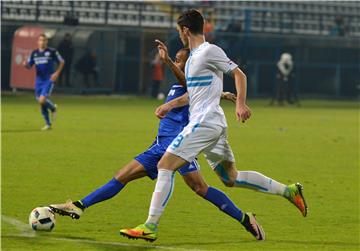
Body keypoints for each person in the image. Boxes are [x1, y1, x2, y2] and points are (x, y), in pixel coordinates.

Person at [120, 9, 307, 242]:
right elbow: (196, 94)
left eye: (179, 30)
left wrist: (240, 104)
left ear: (186, 30)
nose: (179, 34)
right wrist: (170, 105)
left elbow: (239, 74)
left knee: (165, 165)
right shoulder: (193, 59)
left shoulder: (209, 51)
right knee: (231, 177)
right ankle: (288, 191)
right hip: (211, 123)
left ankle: (150, 225)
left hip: (205, 122)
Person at [48, 48, 259, 241]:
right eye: (175, 59)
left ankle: (242, 218)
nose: (176, 62)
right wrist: (222, 94)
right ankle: (79, 206)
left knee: (199, 187)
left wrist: (167, 61)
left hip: (180, 144)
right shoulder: (186, 85)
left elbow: (191, 86)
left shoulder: (191, 79)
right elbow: (196, 92)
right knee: (122, 176)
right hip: (160, 144)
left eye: (180, 60)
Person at [23, 34, 64, 131]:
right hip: (38, 81)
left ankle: (53, 108)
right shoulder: (34, 53)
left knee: (42, 100)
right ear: (38, 42)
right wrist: (25, 65)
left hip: (48, 79)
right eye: (41, 40)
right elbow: (29, 66)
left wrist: (57, 73)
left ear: (47, 42)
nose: (42, 42)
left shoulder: (52, 52)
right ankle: (48, 124)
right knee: (41, 102)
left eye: (44, 40)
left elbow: (62, 61)